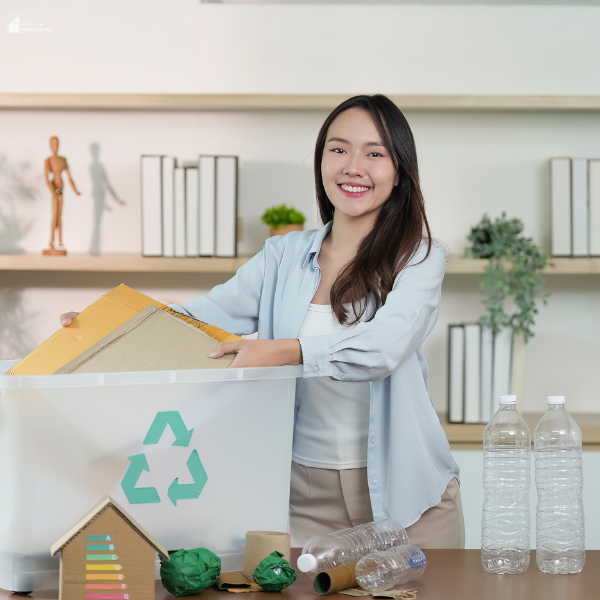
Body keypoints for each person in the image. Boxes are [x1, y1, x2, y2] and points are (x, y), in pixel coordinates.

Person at [61, 94, 463, 549]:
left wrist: (286, 351)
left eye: (375, 153)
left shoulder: (421, 257)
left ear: (399, 171)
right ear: (321, 161)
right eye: (339, 149)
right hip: (301, 497)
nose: (354, 166)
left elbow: (385, 346)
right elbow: (200, 318)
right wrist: (113, 327)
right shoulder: (282, 255)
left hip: (409, 499)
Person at [45, 136, 81, 253]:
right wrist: (53, 192)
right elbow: (46, 179)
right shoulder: (48, 160)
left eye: (56, 144)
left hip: (61, 189)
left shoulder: (63, 160)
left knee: (60, 216)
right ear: (50, 146)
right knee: (54, 216)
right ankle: (51, 241)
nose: (55, 146)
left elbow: (70, 177)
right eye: (53, 144)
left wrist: (75, 190)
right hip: (54, 189)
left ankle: (59, 240)